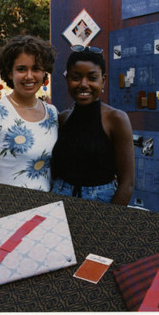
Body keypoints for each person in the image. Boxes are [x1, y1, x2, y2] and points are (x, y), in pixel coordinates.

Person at [50, 46, 134, 206]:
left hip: (100, 202)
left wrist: (109, 221)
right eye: (76, 77)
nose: (83, 84)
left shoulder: (116, 119)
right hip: (59, 199)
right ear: (67, 79)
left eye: (92, 78)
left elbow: (127, 183)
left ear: (103, 80)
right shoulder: (63, 118)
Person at [0, 35, 58, 191]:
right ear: (9, 72)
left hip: (49, 207)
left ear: (44, 72)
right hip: (9, 207)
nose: (29, 76)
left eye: (36, 68)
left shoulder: (52, 113)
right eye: (21, 69)